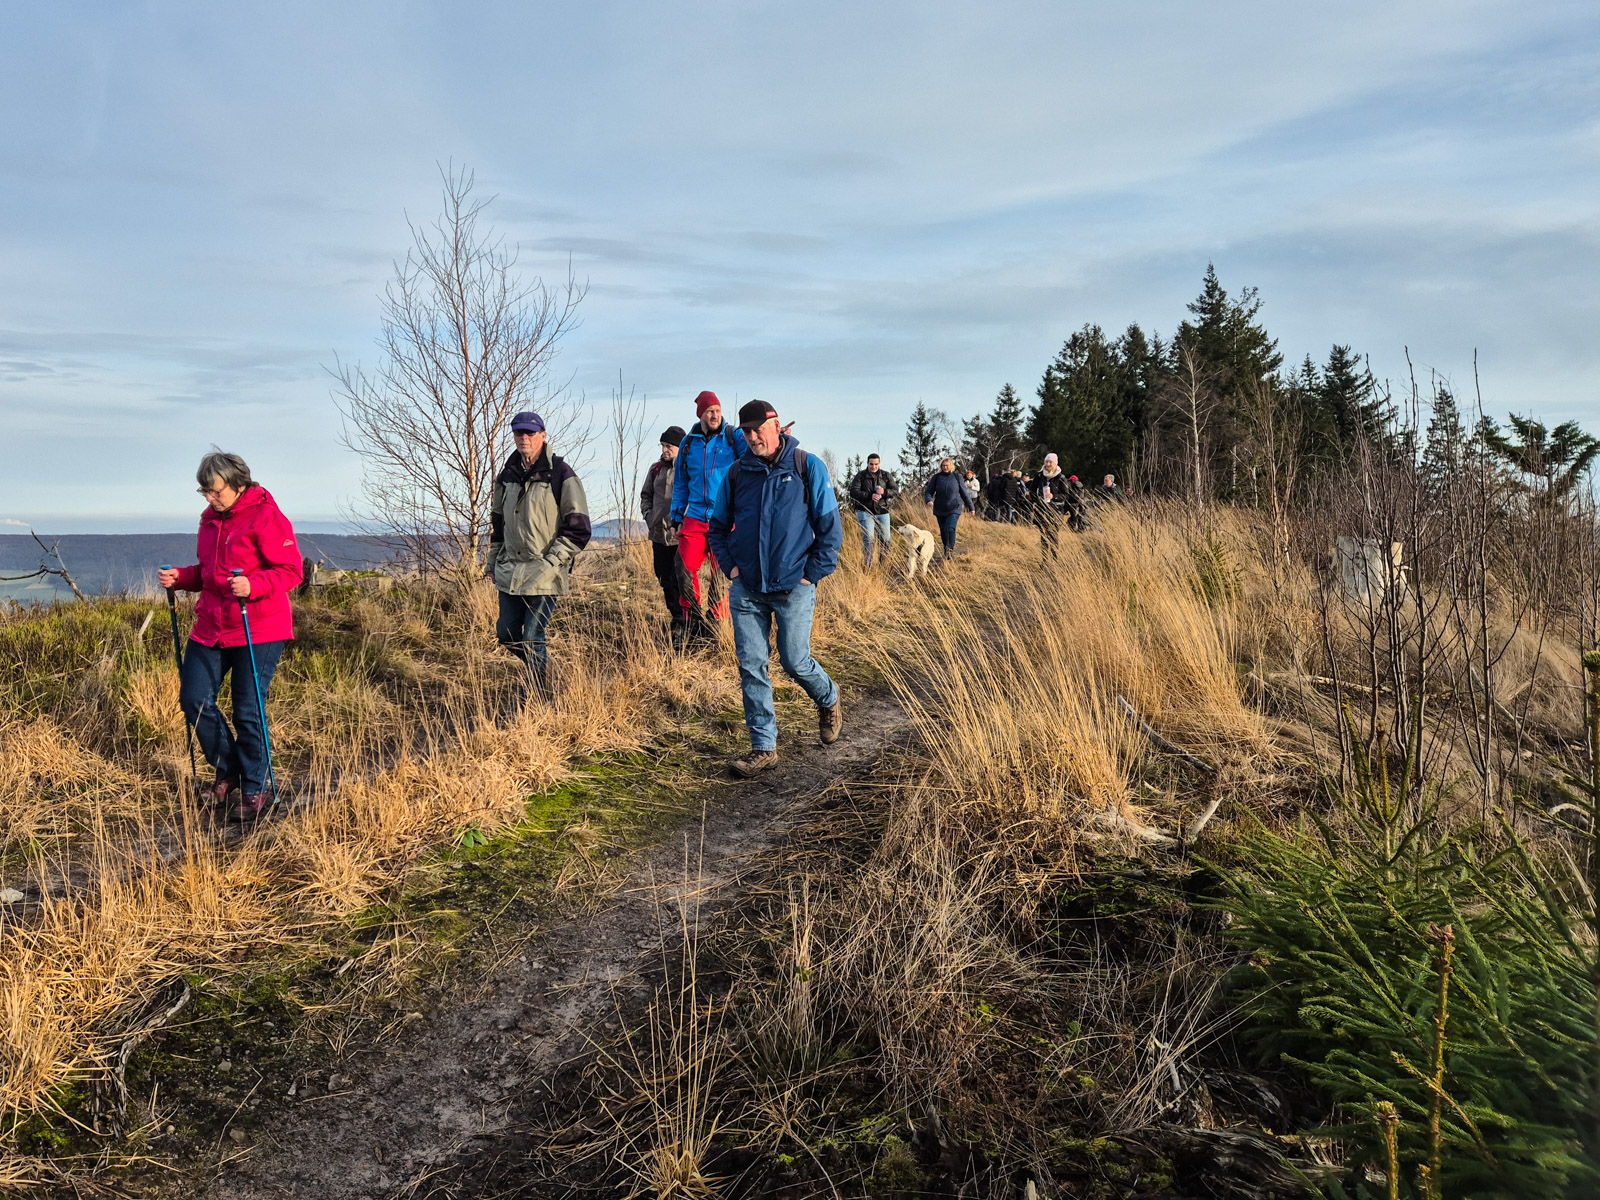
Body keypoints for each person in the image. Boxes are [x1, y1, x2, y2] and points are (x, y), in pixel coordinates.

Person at [157, 451, 303, 823]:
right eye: (204, 491)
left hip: (259, 627)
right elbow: (209, 573)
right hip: (211, 625)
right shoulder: (209, 521)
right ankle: (230, 770)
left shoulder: (266, 515)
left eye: (215, 491)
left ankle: (257, 785)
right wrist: (182, 577)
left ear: (238, 485)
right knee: (194, 700)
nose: (209, 498)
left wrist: (254, 584)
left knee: (248, 711)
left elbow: (291, 571)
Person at [709, 400, 843, 778]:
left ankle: (828, 696)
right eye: (745, 433)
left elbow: (830, 530)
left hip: (794, 587)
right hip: (747, 588)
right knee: (752, 666)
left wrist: (811, 574)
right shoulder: (737, 474)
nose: (752, 438)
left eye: (757, 430)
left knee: (794, 660)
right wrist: (731, 568)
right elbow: (717, 528)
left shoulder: (806, 466)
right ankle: (763, 746)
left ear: (776, 425)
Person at [486, 410, 591, 705]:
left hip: (546, 572)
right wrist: (492, 562)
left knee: (532, 635)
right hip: (510, 569)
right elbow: (498, 525)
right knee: (506, 634)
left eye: (530, 433)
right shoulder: (506, 476)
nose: (524, 438)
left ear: (543, 436)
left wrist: (551, 562)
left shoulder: (561, 474)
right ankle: (539, 666)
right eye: (519, 433)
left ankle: (537, 696)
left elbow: (579, 529)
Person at [670, 390, 747, 643]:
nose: (715, 415)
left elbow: (756, 450)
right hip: (694, 515)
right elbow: (681, 483)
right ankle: (690, 618)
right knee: (683, 565)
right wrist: (676, 517)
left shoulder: (733, 437)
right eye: (709, 411)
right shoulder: (688, 443)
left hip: (725, 516)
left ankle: (717, 620)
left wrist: (776, 437)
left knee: (721, 571)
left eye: (717, 410)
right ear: (701, 414)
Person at [640, 425, 686, 639]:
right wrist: (649, 517)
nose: (665, 450)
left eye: (669, 446)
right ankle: (676, 616)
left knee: (682, 579)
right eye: (663, 445)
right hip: (658, 534)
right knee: (663, 576)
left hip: (681, 535)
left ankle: (687, 620)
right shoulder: (655, 469)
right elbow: (645, 495)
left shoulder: (688, 469)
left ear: (680, 446)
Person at [846, 453, 898, 567]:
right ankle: (868, 565)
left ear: (879, 464)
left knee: (885, 539)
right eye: (871, 464)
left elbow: (895, 491)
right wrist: (870, 495)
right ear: (867, 463)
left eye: (876, 464)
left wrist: (884, 492)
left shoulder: (886, 475)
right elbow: (853, 492)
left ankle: (883, 565)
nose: (873, 467)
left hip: (883, 511)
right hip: (865, 512)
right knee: (868, 539)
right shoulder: (860, 476)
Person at [923, 457, 974, 557]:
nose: (945, 467)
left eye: (947, 465)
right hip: (940, 508)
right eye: (943, 466)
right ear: (941, 466)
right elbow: (929, 491)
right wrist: (929, 500)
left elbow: (964, 493)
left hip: (954, 507)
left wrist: (971, 507)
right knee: (943, 530)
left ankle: (950, 549)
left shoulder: (957, 477)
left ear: (951, 466)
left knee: (950, 527)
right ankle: (946, 547)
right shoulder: (936, 477)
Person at [1029, 452, 1071, 559]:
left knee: (1053, 536)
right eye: (1046, 462)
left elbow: (1066, 495)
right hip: (1041, 509)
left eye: (1050, 462)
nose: (1047, 464)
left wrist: (1054, 496)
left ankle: (1054, 559)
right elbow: (1032, 491)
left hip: (1055, 510)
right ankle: (1045, 560)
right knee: (1043, 536)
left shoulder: (1061, 477)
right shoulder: (1039, 476)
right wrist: (1036, 501)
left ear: (1055, 463)